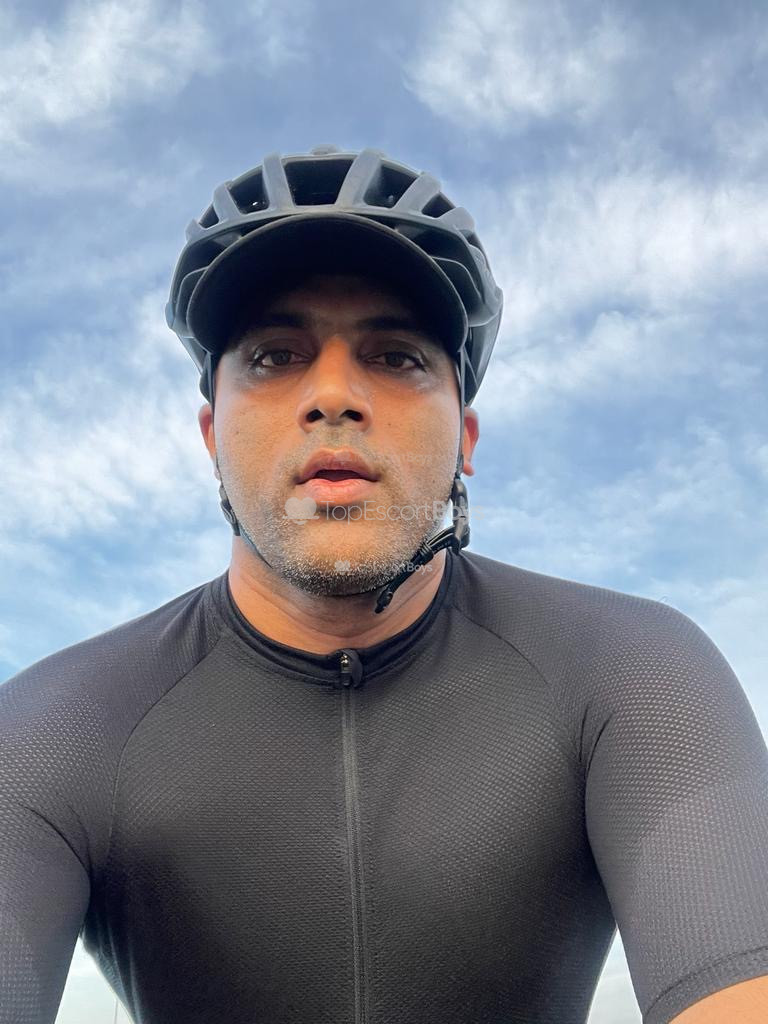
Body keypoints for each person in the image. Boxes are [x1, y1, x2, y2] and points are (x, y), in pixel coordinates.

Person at [1, 145, 767, 1024]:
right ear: (211, 436)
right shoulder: (51, 730)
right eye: (274, 355)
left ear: (466, 438)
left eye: (397, 356)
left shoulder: (633, 672)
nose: (333, 394)